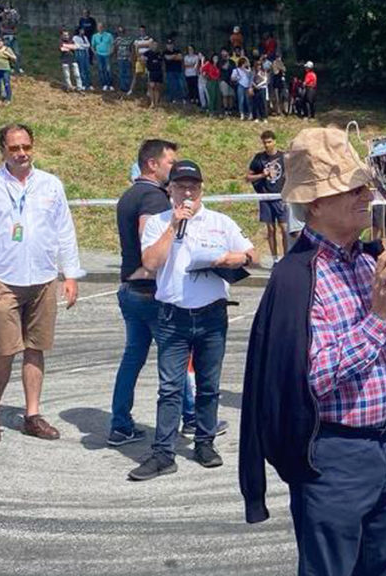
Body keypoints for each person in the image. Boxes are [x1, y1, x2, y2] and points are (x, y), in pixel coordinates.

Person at [239, 127, 386, 575]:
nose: (368, 195)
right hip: (335, 456)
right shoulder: (298, 277)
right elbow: (314, 379)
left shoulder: (370, 261)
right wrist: (378, 316)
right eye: (354, 189)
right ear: (317, 203)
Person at [128, 160, 255, 481]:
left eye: (193, 186)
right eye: (181, 186)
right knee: (170, 387)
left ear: (201, 189)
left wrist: (235, 258)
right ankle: (163, 453)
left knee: (209, 386)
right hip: (173, 316)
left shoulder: (220, 221)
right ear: (169, 189)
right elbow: (151, 263)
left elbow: (254, 254)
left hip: (212, 315)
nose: (188, 192)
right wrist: (173, 225)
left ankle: (205, 442)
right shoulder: (158, 222)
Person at [0, 124, 82, 445]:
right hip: (5, 280)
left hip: (43, 279)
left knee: (36, 349)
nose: (22, 153)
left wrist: (69, 274)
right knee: (4, 351)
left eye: (26, 146)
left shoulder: (51, 185)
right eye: (14, 148)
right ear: (3, 150)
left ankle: (32, 415)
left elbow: (65, 232)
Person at [110, 140, 211, 446]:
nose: (175, 168)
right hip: (150, 291)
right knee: (174, 358)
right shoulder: (153, 198)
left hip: (128, 288)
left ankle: (120, 423)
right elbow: (150, 244)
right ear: (152, 164)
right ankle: (192, 418)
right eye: (170, 163)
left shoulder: (128, 195)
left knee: (133, 358)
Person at [246, 131, 286, 262]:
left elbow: (292, 174)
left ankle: (286, 258)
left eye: (269, 142)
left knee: (285, 229)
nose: (267, 145)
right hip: (265, 197)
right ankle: (275, 259)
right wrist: (262, 175)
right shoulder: (259, 158)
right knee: (270, 229)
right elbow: (248, 177)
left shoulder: (284, 157)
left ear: (274, 141)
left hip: (281, 197)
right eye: (264, 142)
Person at [0, 36, 17, 104]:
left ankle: (8, 98)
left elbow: (14, 58)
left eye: (0, 42)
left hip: (5, 69)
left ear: (3, 42)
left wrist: (8, 55)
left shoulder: (7, 49)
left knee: (6, 84)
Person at [130, 26, 153, 97]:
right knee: (136, 75)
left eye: (143, 31)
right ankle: (131, 90)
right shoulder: (137, 39)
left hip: (147, 60)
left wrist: (145, 56)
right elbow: (136, 49)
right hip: (139, 60)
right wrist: (139, 57)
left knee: (148, 76)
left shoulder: (149, 39)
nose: (142, 32)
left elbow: (150, 47)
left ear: (145, 31)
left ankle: (148, 91)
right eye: (140, 31)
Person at [0, 4, 22, 74]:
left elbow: (17, 23)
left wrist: (15, 15)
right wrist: (5, 33)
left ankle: (18, 67)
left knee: (17, 53)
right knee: (8, 53)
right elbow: (1, 29)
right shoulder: (3, 20)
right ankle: (10, 67)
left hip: (13, 37)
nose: (9, 15)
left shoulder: (13, 19)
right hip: (6, 37)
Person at [91, 22, 114, 91]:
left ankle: (109, 84)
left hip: (107, 54)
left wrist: (111, 51)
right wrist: (94, 52)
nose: (100, 28)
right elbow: (92, 45)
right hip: (99, 55)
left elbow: (112, 44)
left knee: (108, 69)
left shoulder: (109, 35)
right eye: (99, 27)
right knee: (101, 69)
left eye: (101, 27)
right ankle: (104, 84)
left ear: (104, 28)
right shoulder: (95, 36)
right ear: (97, 28)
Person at [143, 41, 164, 109]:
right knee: (151, 86)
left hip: (158, 72)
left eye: (156, 45)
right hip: (151, 71)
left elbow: (161, 62)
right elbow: (142, 58)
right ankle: (152, 103)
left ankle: (156, 103)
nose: (154, 46)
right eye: (153, 45)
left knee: (157, 87)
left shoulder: (159, 53)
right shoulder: (147, 53)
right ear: (151, 45)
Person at [162, 38, 184, 104]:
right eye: (168, 44)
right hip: (169, 71)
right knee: (171, 85)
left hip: (178, 71)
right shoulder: (165, 52)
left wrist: (171, 57)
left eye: (171, 44)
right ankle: (172, 99)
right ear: (166, 45)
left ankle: (180, 99)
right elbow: (167, 58)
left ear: (173, 45)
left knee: (180, 85)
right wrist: (175, 56)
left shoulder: (178, 50)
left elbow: (180, 57)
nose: (170, 46)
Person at [114, 26, 134, 93]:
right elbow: (115, 48)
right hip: (120, 58)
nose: (121, 33)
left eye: (122, 31)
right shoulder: (117, 39)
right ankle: (123, 88)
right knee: (121, 73)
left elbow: (131, 49)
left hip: (127, 58)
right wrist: (116, 56)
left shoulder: (129, 39)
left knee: (128, 73)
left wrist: (131, 57)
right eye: (120, 32)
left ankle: (127, 87)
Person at [218, 50, 235, 116]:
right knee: (225, 95)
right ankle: (225, 109)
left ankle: (230, 109)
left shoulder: (232, 62)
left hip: (231, 81)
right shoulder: (220, 62)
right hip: (223, 80)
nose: (224, 54)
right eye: (223, 53)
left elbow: (234, 69)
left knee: (230, 95)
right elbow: (223, 68)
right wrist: (227, 61)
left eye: (225, 53)